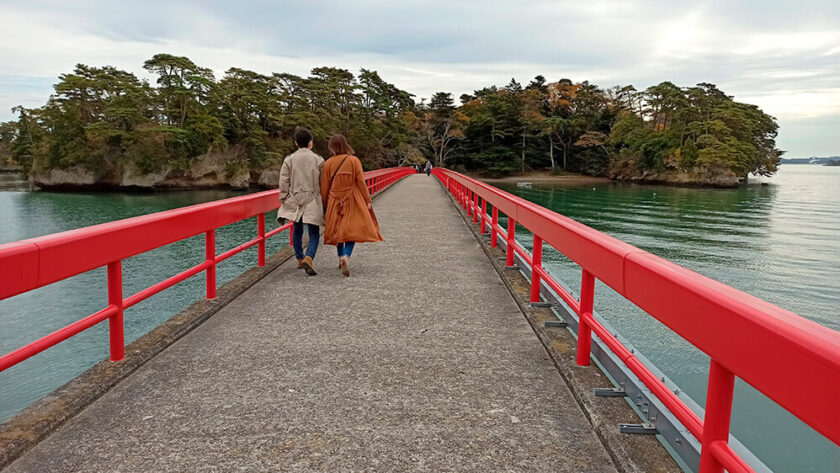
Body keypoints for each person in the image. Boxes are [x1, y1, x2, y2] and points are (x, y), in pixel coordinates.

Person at [320, 134, 383, 277]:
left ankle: (339, 256)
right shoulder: (354, 161)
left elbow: (324, 187)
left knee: (338, 231)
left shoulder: (328, 163)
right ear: (345, 145)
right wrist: (367, 200)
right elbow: (361, 182)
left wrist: (325, 203)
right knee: (351, 230)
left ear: (332, 147)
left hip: (335, 200)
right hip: (351, 199)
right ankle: (346, 256)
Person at [277, 127, 324, 276]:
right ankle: (309, 257)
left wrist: (283, 197)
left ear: (296, 143)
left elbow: (284, 180)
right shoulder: (319, 160)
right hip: (312, 198)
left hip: (295, 198)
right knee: (314, 232)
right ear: (310, 143)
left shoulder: (289, 159)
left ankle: (299, 258)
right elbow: (323, 181)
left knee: (297, 230)